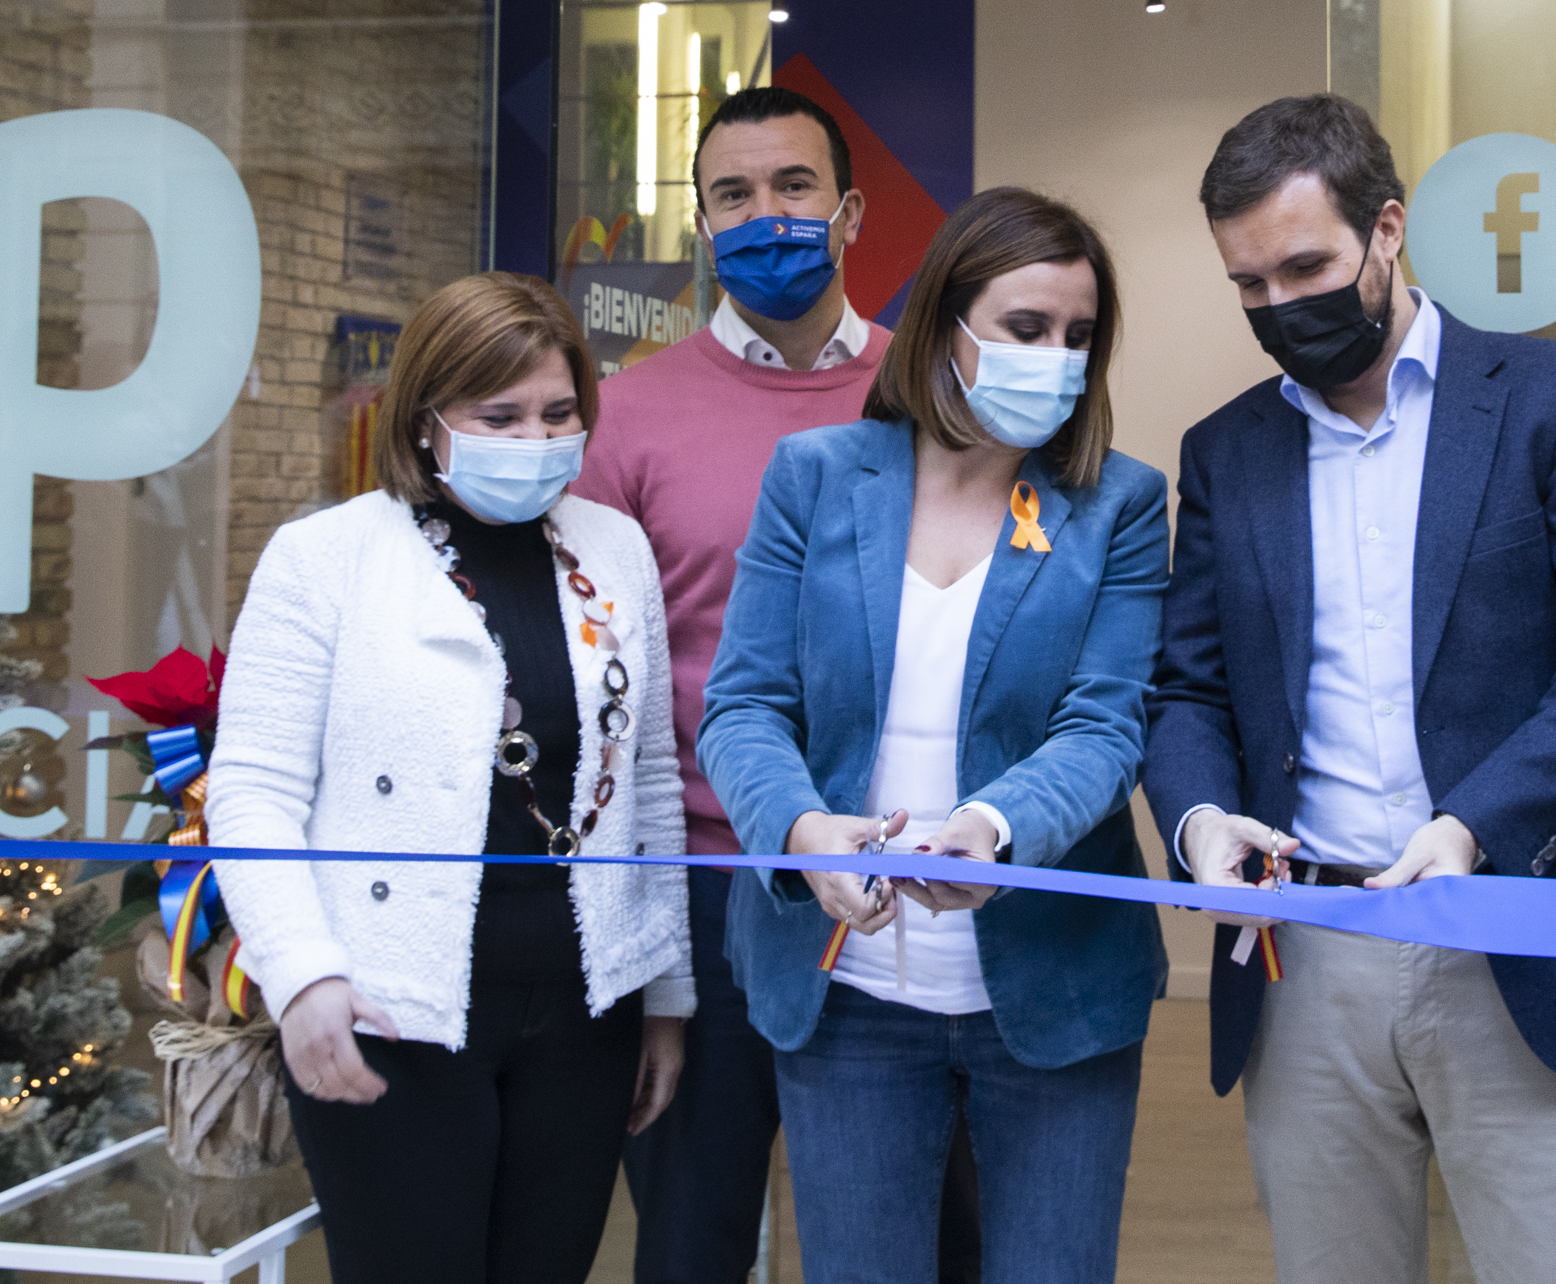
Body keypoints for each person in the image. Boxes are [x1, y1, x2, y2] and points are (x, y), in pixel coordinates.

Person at [1143, 94, 1556, 1284]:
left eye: (1307, 266)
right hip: (1306, 958)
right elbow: (1187, 690)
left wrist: (1471, 825)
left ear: (1387, 230)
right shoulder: (1226, 451)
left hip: (1519, 933)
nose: (1281, 307)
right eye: (1249, 285)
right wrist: (1195, 822)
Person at [695, 187, 1171, 1284]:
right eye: (1024, 327)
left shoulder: (1117, 503)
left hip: (1052, 992)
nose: (1056, 356)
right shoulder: (813, 478)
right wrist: (803, 829)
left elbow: (1105, 723)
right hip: (847, 990)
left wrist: (997, 825)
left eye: (1078, 335)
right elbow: (745, 704)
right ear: (945, 326)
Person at [205, 272, 692, 1284]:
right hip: (392, 1010)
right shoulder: (323, 557)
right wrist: (301, 976)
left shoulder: (615, 548)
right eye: (498, 414)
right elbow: (250, 787)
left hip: (584, 1009)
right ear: (426, 421)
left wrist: (666, 991)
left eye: (559, 413)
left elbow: (647, 782)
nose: (535, 438)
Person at [575, 84, 982, 1283]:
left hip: (902, 878)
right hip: (707, 887)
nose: (767, 215)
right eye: (734, 195)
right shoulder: (626, 418)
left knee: (921, 1233)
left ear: (851, 211)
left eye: (793, 188)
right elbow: (613, 683)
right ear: (702, 224)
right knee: (692, 1237)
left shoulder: (938, 399)